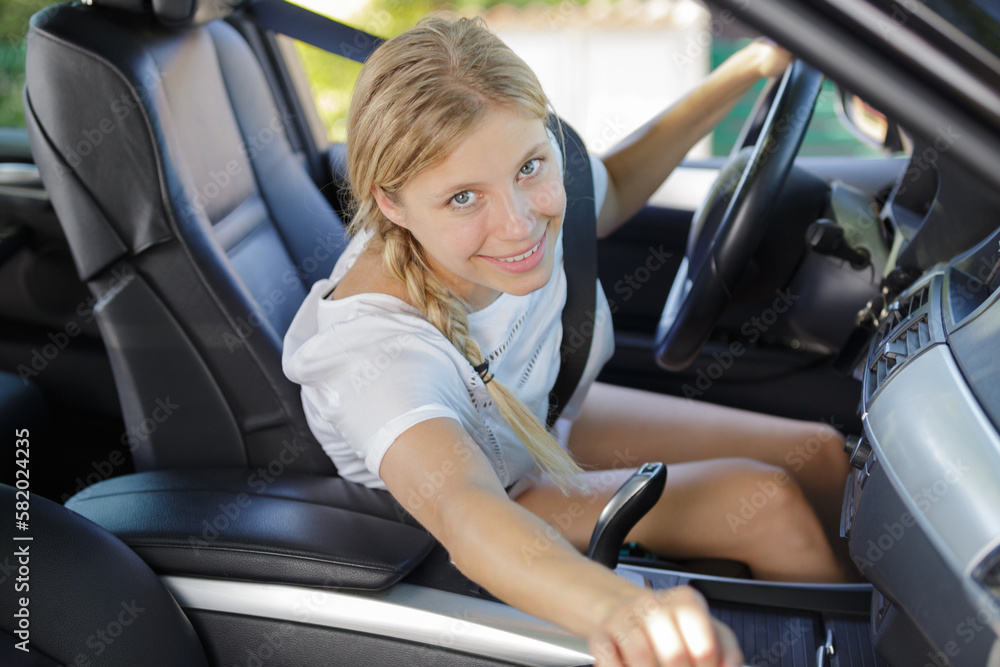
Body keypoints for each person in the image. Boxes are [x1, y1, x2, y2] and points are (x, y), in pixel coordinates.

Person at [283, 14, 851, 666]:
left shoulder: (524, 178)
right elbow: (467, 511)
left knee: (821, 454)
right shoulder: (375, 354)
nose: (519, 224)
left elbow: (614, 187)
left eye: (530, 167)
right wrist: (626, 613)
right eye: (463, 198)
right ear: (390, 203)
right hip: (501, 496)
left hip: (542, 420)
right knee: (766, 505)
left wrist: (750, 66)